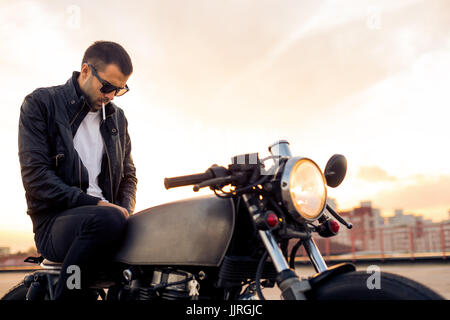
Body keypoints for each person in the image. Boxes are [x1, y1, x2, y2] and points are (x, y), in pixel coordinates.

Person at [18, 41, 138, 300]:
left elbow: (129, 175)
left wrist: (126, 210)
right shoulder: (41, 103)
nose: (111, 96)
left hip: (110, 219)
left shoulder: (117, 119)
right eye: (107, 87)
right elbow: (37, 179)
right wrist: (97, 204)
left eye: (120, 90)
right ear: (85, 70)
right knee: (107, 219)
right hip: (55, 223)